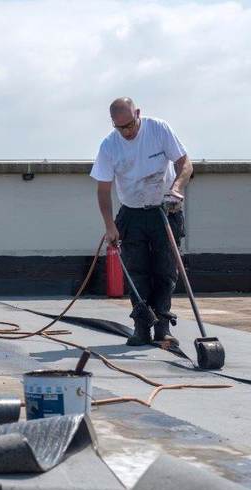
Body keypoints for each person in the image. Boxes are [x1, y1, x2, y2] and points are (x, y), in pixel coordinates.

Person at [91, 97, 193, 346]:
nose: (127, 132)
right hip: (132, 212)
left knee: (166, 270)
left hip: (164, 210)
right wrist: (109, 225)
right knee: (136, 272)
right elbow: (103, 190)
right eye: (120, 127)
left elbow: (185, 164)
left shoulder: (159, 129)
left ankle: (162, 327)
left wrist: (177, 188)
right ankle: (141, 327)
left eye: (130, 125)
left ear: (138, 113)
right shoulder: (109, 146)